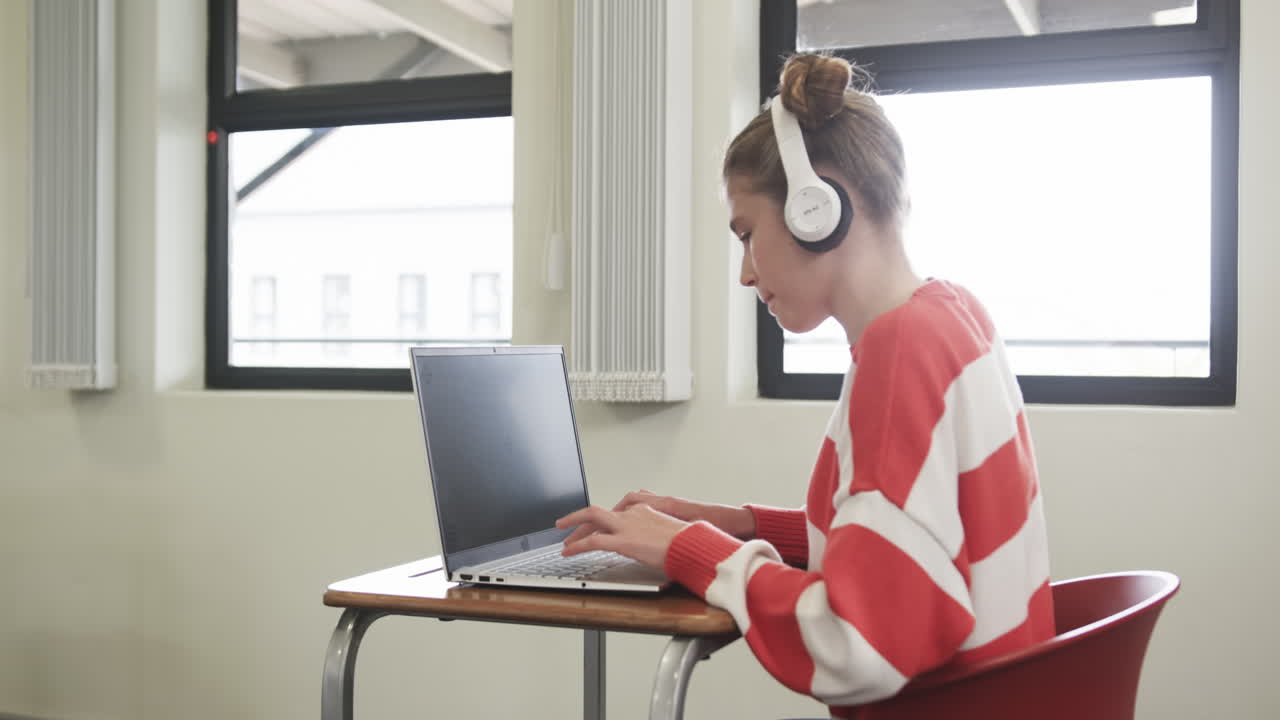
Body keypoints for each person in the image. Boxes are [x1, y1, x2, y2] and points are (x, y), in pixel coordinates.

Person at [556, 52, 1053, 718]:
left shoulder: (900, 352)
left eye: (747, 234)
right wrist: (731, 525)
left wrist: (691, 551)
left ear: (814, 207)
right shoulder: (953, 316)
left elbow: (855, 643)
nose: (745, 273)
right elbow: (909, 536)